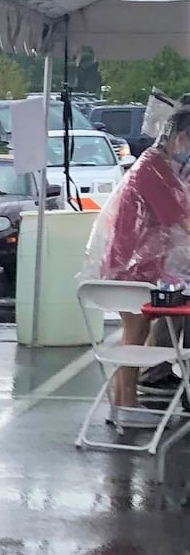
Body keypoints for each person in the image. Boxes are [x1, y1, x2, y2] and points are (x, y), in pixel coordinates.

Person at [85, 96, 190, 409]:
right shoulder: (155, 170)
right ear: (181, 138)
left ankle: (125, 405)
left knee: (136, 336)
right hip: (132, 271)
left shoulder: (160, 166)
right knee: (134, 336)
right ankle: (124, 406)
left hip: (141, 267)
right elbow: (183, 222)